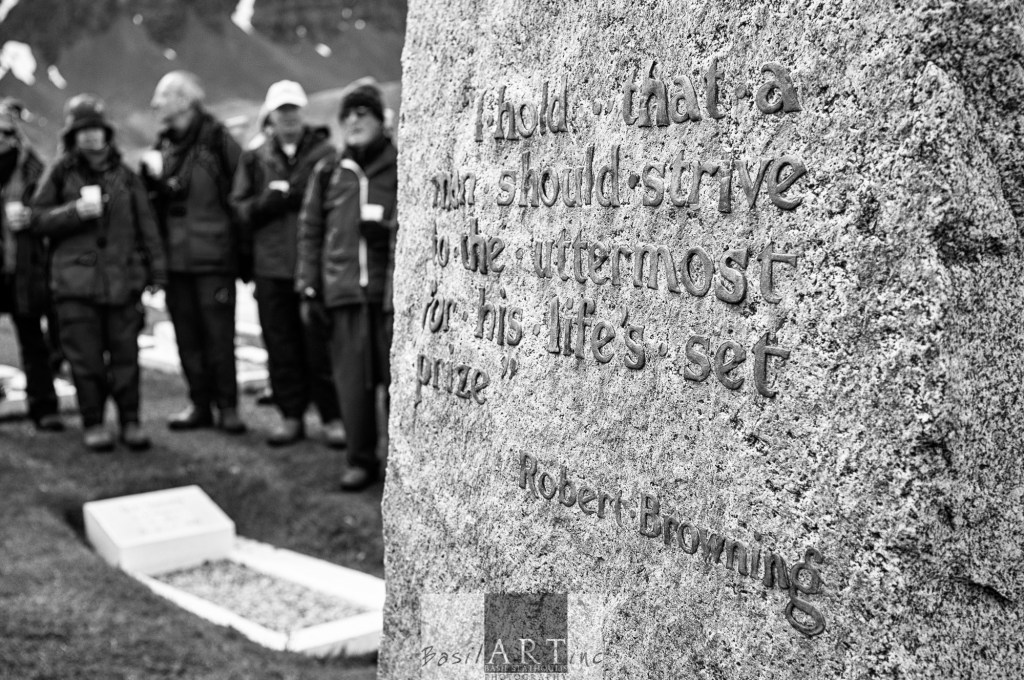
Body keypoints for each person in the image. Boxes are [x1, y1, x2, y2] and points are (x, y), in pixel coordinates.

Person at [30, 94, 167, 451]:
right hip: (74, 286)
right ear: (73, 136)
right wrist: (75, 212)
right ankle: (93, 423)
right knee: (85, 359)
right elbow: (38, 220)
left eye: (96, 130)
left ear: (107, 134)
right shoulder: (59, 173)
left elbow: (146, 226)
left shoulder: (126, 176)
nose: (91, 137)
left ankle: (130, 422)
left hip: (123, 282)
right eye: (83, 131)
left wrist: (157, 272)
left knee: (125, 357)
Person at [231, 80, 345, 447]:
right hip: (270, 267)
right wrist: (268, 202)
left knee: (320, 346)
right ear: (271, 116)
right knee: (280, 346)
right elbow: (239, 209)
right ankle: (291, 416)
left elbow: (340, 206)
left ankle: (332, 417)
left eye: (294, 109)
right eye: (283, 111)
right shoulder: (255, 157)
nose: (290, 117)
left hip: (312, 268)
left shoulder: (327, 153)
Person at [297, 83, 397, 490]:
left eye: (364, 114)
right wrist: (308, 285)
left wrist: (385, 231)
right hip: (342, 292)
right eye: (348, 115)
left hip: (387, 296)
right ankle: (360, 460)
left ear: (380, 121)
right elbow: (310, 231)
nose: (354, 121)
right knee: (353, 386)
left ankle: (400, 460)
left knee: (396, 383)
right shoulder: (329, 171)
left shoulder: (399, 163)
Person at [143, 71, 245, 434]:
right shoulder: (162, 147)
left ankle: (228, 407)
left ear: (184, 100)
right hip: (176, 262)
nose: (156, 105)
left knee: (219, 336)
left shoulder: (219, 142)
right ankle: (199, 404)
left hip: (214, 260)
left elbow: (242, 194)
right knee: (186, 337)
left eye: (163, 96)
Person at [0, 102, 64, 432]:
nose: (1, 138)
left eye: (6, 132)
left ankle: (44, 406)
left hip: (23, 267)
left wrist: (32, 219)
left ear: (16, 135)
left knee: (32, 339)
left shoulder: (33, 169)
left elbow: (51, 213)